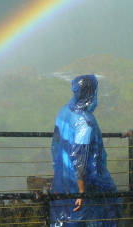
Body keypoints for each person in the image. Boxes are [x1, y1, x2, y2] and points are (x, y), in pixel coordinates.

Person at [50, 74, 120, 227]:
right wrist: (81, 193)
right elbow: (79, 159)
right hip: (83, 181)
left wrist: (59, 171)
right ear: (91, 93)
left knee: (66, 216)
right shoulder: (85, 124)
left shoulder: (63, 112)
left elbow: (55, 144)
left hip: (64, 176)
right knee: (106, 211)